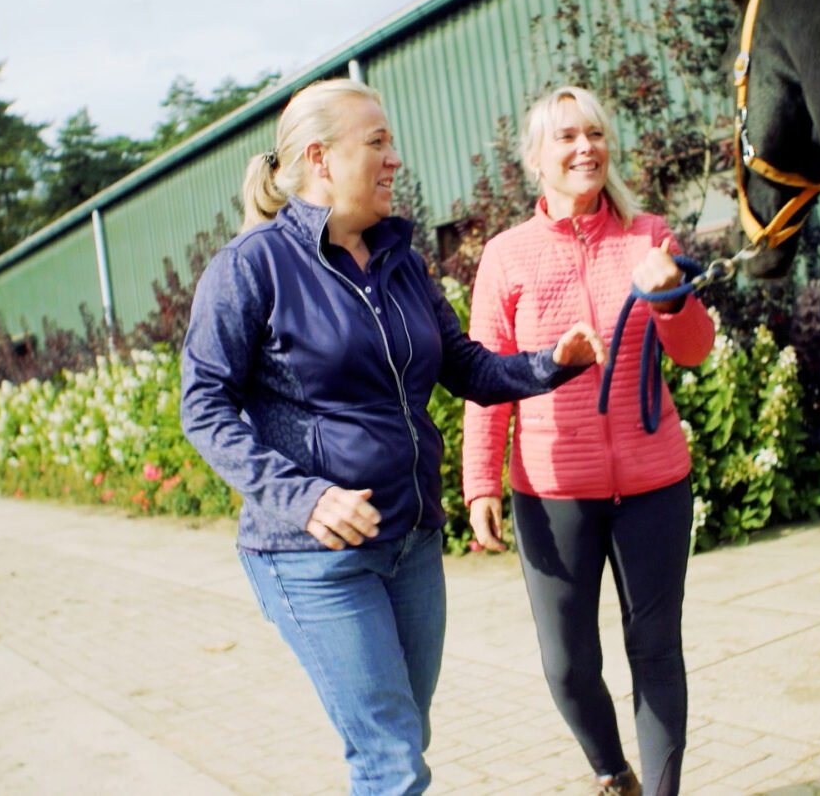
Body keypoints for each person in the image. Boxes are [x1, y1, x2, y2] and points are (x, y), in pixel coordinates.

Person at [179, 78, 607, 796]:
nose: (394, 159)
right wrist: (305, 497)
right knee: (391, 758)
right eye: (377, 142)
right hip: (315, 556)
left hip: (410, 542)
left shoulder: (398, 261)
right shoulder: (251, 268)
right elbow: (204, 405)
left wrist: (550, 364)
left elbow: (463, 365)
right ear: (320, 158)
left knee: (406, 734)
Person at [462, 86, 716, 796]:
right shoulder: (506, 257)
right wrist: (479, 481)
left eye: (596, 134)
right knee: (567, 663)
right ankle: (612, 771)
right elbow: (489, 377)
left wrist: (672, 296)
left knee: (656, 648)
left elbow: (694, 350)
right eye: (568, 137)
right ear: (536, 158)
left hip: (654, 482)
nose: (586, 149)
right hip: (551, 492)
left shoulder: (649, 234)